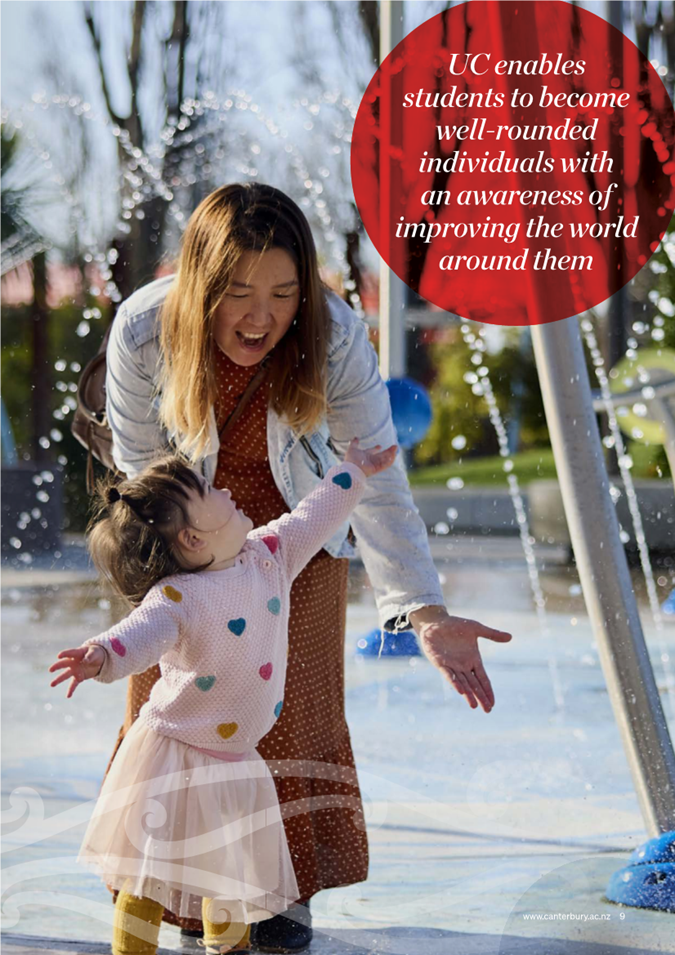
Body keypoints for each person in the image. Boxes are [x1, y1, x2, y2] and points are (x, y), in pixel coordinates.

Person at [99, 182, 513, 951]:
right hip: (192, 543)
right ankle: (173, 894)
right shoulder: (143, 333)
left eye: (284, 293)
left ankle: (280, 903)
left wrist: (424, 608)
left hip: (301, 546)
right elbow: (143, 482)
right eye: (237, 292)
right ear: (200, 285)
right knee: (170, 717)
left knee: (288, 717)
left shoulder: (334, 337)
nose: (261, 315)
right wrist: (178, 578)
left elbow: (377, 473)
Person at [49, 440, 396, 955]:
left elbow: (313, 516)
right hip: (170, 757)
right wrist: (100, 655)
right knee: (149, 876)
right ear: (191, 537)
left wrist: (353, 471)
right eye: (209, 490)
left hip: (234, 761)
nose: (227, 488)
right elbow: (136, 636)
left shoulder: (268, 556)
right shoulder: (177, 598)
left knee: (228, 878)